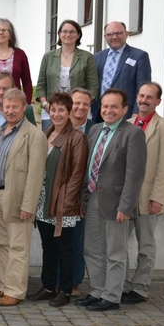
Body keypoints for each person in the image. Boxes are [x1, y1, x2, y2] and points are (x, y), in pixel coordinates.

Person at [78, 88, 147, 311]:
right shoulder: (95, 130)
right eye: (105, 106)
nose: (108, 110)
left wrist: (126, 206)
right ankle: (98, 290)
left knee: (115, 252)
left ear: (125, 109)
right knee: (91, 248)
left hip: (117, 203)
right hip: (92, 197)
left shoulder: (133, 134)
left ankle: (112, 296)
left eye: (114, 106)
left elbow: (135, 175)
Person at [0, 88, 47, 306]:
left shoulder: (35, 135)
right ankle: (3, 286)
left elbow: (36, 174)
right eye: (6, 106)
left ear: (25, 107)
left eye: (14, 107)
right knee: (2, 244)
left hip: (18, 200)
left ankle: (16, 291)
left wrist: (28, 205)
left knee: (18, 246)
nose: (10, 110)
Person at [26, 93, 88, 308]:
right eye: (53, 109)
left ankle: (66, 290)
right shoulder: (46, 133)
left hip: (64, 204)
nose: (57, 114)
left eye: (61, 110)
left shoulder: (77, 137)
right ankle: (48, 286)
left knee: (65, 248)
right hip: (44, 201)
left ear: (69, 112)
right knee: (48, 246)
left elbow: (77, 174)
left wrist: (67, 202)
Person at [123, 82, 164, 304]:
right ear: (136, 97)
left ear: (158, 101)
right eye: (141, 96)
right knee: (119, 243)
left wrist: (158, 198)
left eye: (149, 97)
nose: (144, 100)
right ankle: (123, 284)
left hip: (147, 197)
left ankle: (141, 287)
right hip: (124, 197)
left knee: (145, 244)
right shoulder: (126, 124)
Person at [34, 19, 98, 127]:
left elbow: (93, 87)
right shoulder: (48, 57)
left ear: (78, 35)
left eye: (72, 32)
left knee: (77, 142)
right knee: (51, 142)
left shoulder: (87, 57)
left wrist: (80, 106)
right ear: (59, 34)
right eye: (64, 31)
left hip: (77, 112)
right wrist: (46, 105)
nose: (68, 34)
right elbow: (41, 86)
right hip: (52, 111)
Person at [94, 21, 152, 120]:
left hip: (126, 114)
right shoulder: (97, 57)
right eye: (110, 34)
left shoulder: (139, 56)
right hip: (99, 113)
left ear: (126, 34)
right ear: (105, 37)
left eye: (119, 33)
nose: (114, 37)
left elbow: (143, 88)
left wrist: (137, 112)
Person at [67, 87, 94, 294]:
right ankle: (58, 278)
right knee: (58, 240)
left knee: (77, 240)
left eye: (85, 103)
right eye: (77, 102)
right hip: (58, 193)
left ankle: (74, 281)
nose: (81, 107)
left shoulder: (96, 130)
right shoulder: (55, 127)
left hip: (85, 196)